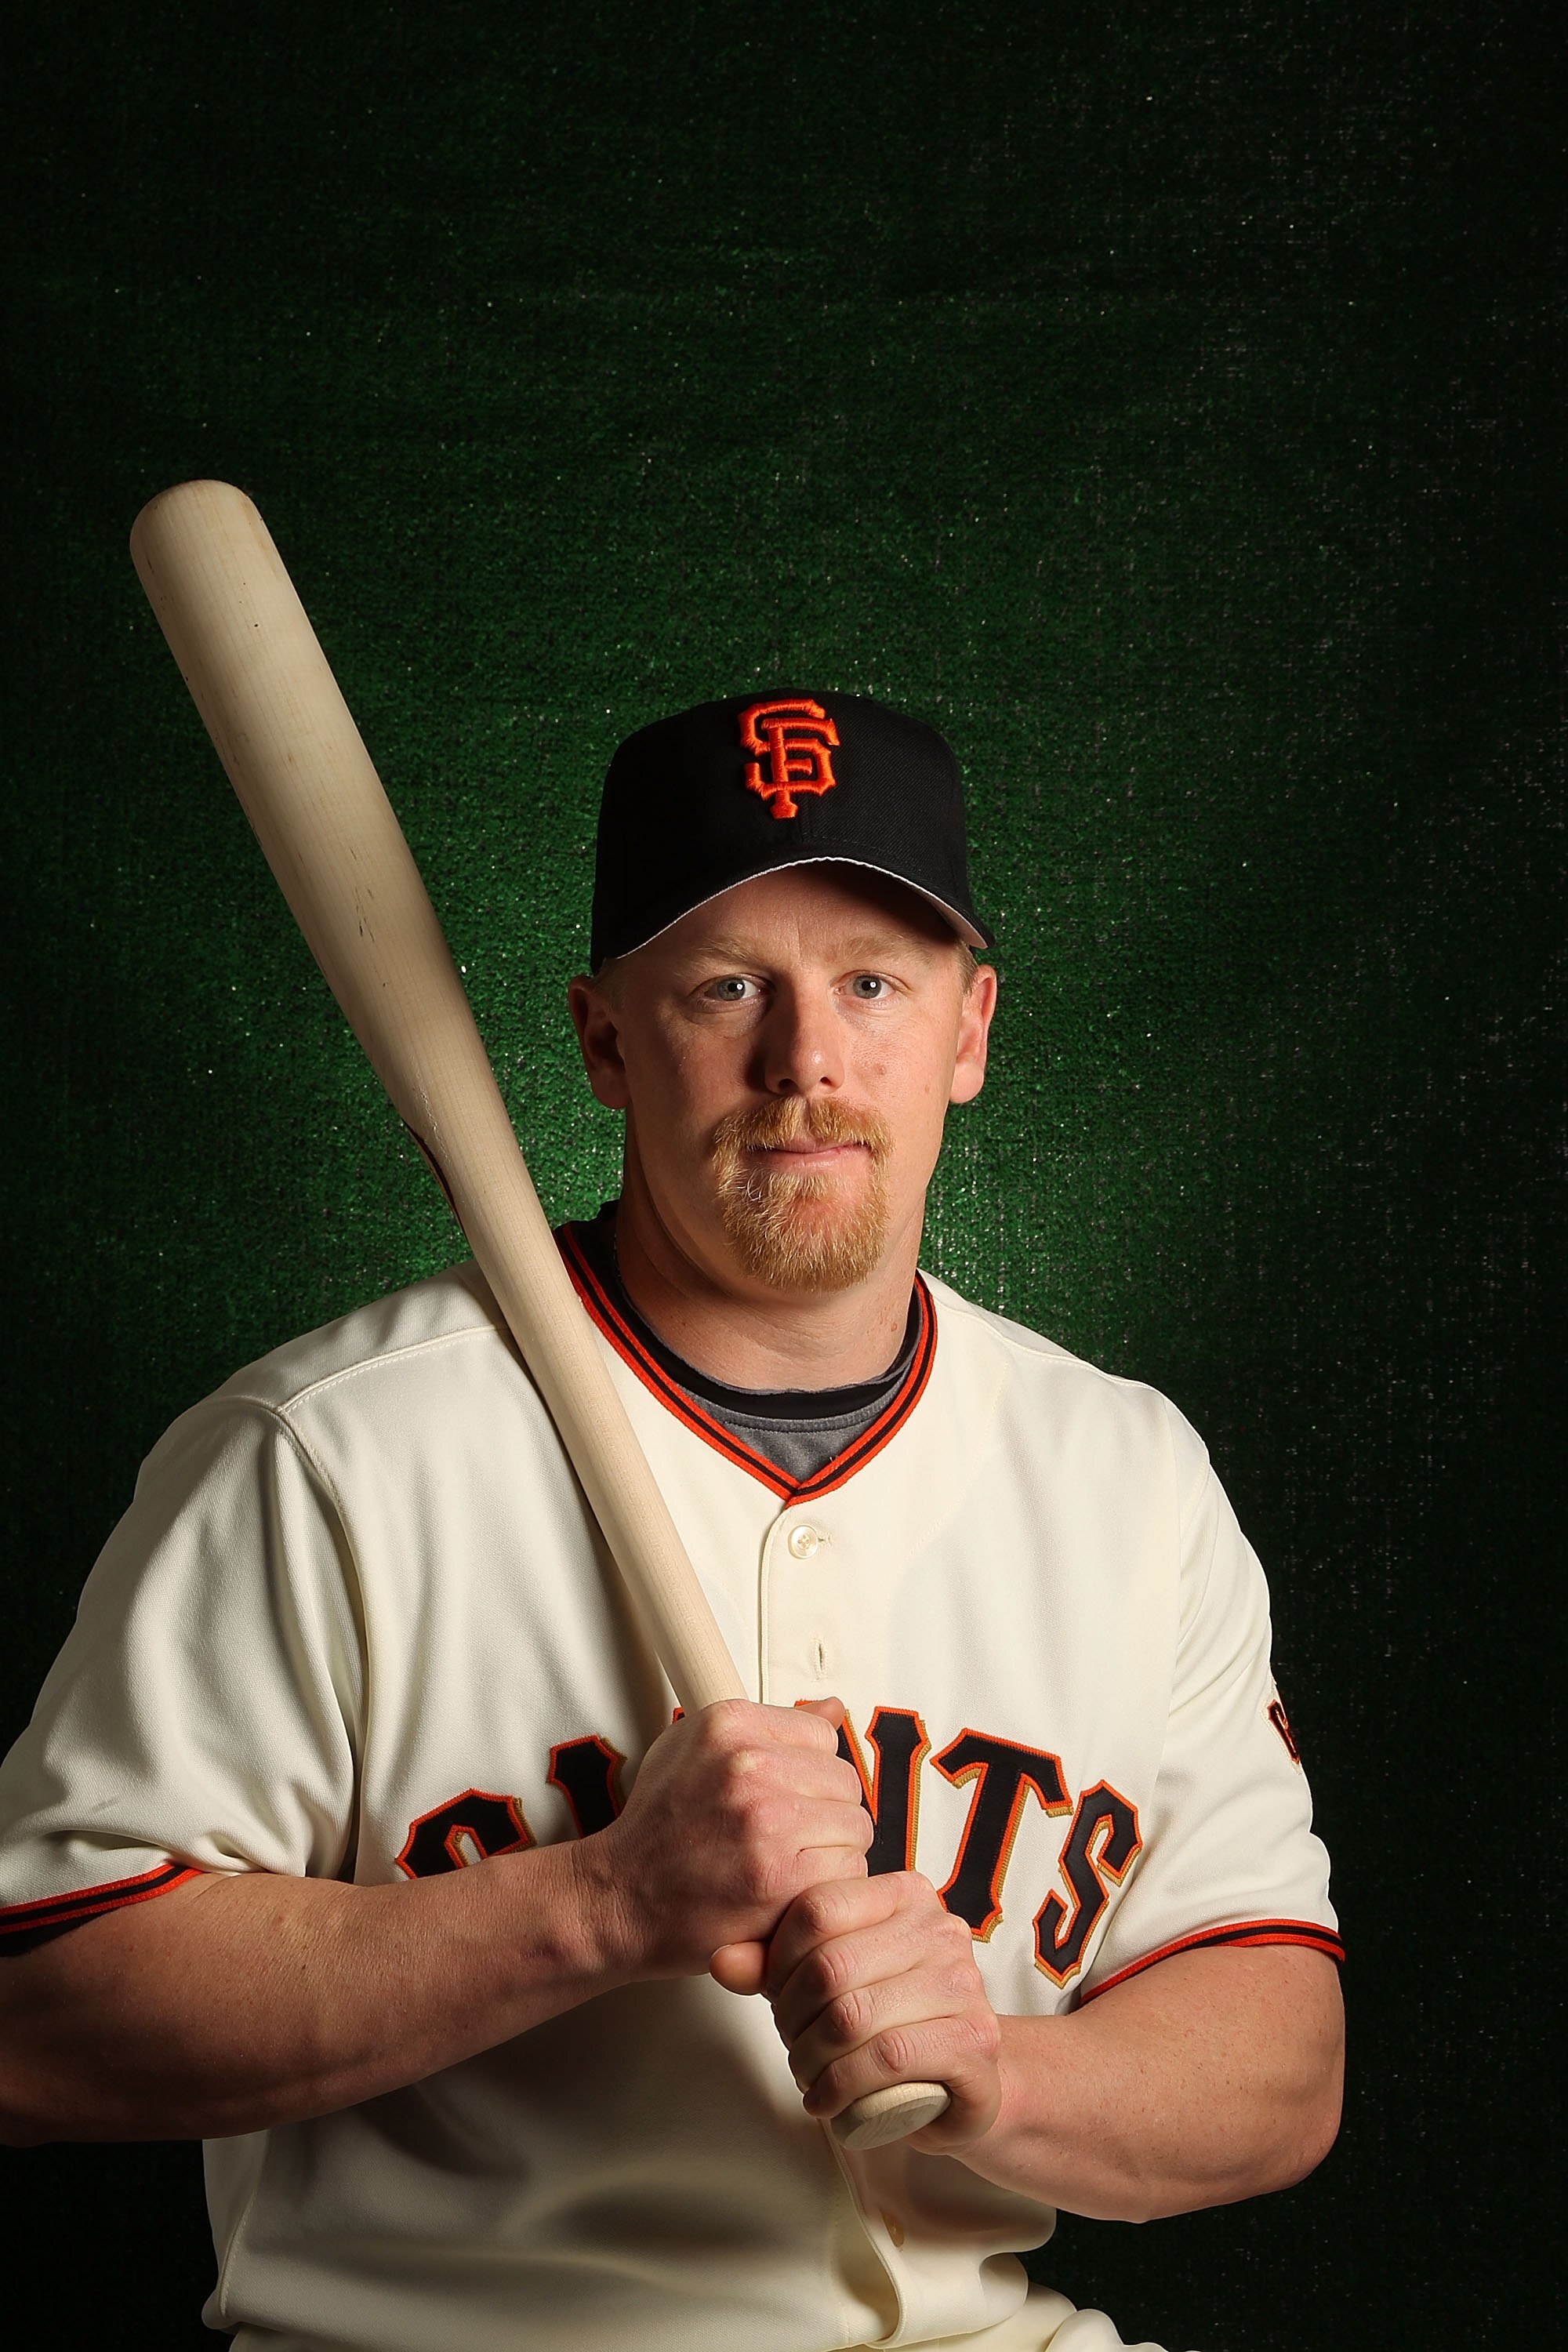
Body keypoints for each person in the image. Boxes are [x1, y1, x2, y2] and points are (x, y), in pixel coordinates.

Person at [0, 691, 1343, 2352]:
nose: (808, 1064)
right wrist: (598, 1908)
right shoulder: (332, 1452)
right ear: (603, 1040)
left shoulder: (1125, 1473)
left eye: (872, 981)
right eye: (726, 989)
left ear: (970, 1027)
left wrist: (998, 2069)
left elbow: (1279, 2057)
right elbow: (32, 2025)